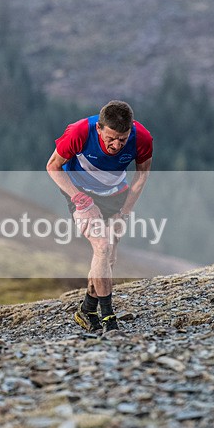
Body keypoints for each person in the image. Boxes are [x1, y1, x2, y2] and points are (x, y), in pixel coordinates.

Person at [46, 100, 153, 333]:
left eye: (122, 140)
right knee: (102, 247)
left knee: (108, 257)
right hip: (79, 191)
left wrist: (123, 214)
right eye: (110, 138)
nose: (116, 145)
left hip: (116, 194)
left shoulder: (142, 138)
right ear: (99, 129)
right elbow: (52, 166)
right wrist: (80, 200)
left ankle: (87, 309)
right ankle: (109, 320)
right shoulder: (80, 131)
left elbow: (142, 176)